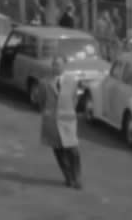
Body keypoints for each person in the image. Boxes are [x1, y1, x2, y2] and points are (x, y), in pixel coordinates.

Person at [38, 57, 82, 189]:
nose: (55, 67)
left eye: (58, 65)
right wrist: (47, 112)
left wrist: (68, 111)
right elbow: (41, 101)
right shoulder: (44, 82)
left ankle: (77, 178)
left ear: (64, 66)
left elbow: (74, 99)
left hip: (67, 121)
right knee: (58, 151)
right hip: (52, 121)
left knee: (73, 150)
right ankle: (68, 177)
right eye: (54, 65)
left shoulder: (72, 81)